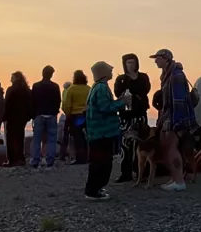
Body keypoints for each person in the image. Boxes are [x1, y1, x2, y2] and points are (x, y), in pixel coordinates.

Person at [151, 49, 196, 191]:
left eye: (158, 58)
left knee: (171, 148)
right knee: (167, 147)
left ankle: (179, 181)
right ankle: (176, 177)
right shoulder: (167, 75)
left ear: (166, 59)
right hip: (169, 116)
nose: (155, 61)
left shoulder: (175, 75)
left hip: (175, 117)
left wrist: (176, 122)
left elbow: (178, 101)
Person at [83, 61, 127, 200]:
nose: (112, 71)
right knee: (102, 162)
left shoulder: (96, 87)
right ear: (102, 73)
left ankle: (95, 189)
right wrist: (123, 102)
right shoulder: (101, 88)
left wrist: (118, 100)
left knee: (99, 162)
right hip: (102, 132)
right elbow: (105, 108)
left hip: (97, 132)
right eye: (109, 69)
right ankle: (93, 192)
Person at [114, 54, 152, 182]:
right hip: (126, 116)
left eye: (133, 62)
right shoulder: (121, 79)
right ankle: (126, 173)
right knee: (126, 145)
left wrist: (134, 93)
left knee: (142, 143)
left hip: (140, 114)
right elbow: (118, 93)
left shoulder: (143, 77)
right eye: (128, 63)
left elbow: (145, 90)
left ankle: (142, 171)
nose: (131, 65)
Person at [29, 66, 62, 168]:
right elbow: (58, 100)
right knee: (51, 139)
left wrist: (33, 114)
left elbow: (32, 100)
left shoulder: (36, 86)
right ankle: (50, 159)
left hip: (39, 114)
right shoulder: (55, 86)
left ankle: (35, 160)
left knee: (37, 138)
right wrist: (55, 111)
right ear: (51, 74)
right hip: (51, 115)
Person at [3, 72, 32, 168]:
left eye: (12, 78)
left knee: (10, 138)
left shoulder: (11, 89)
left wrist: (4, 116)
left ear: (15, 78)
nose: (10, 80)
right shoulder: (27, 90)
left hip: (12, 117)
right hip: (22, 118)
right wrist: (28, 116)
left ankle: (12, 160)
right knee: (20, 137)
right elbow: (30, 104)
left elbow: (6, 104)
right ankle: (21, 158)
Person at [63, 71, 91, 164]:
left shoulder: (71, 89)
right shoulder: (88, 89)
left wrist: (68, 116)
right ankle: (89, 156)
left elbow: (67, 105)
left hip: (75, 116)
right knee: (88, 137)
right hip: (87, 115)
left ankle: (80, 158)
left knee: (78, 138)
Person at [58, 81, 73, 161]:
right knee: (75, 135)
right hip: (74, 114)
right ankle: (73, 154)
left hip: (66, 115)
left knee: (65, 136)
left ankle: (62, 155)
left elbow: (63, 105)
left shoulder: (64, 92)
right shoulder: (72, 91)